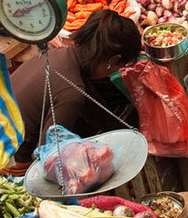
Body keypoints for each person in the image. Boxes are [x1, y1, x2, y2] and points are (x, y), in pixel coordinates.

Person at [11, 9, 142, 164]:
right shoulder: (71, 92)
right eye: (119, 66)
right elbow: (46, 156)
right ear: (113, 60)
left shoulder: (60, 55)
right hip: (11, 157)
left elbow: (92, 105)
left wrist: (125, 131)